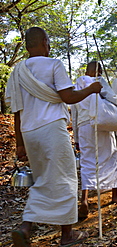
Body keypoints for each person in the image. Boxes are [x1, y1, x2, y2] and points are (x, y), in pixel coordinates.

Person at [5, 27, 102, 246]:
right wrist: (92, 89)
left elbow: (17, 112)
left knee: (43, 180)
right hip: (51, 129)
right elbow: (67, 97)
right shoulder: (54, 65)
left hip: (29, 133)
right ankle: (67, 235)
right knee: (65, 178)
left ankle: (25, 226)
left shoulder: (18, 71)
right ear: (43, 42)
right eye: (47, 42)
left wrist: (20, 145)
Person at [71, 61, 117, 219]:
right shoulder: (99, 82)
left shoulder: (76, 87)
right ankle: (114, 194)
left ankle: (84, 200)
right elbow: (113, 99)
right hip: (101, 123)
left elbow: (74, 115)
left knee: (87, 162)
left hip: (84, 127)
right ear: (99, 72)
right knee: (110, 156)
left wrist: (76, 137)